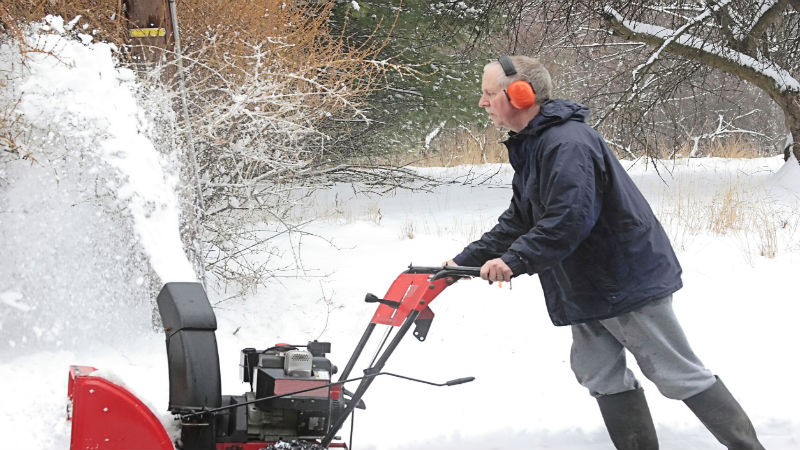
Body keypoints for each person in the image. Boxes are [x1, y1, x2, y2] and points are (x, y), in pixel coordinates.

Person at [445, 55, 765, 450]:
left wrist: (514, 260)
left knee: (676, 372)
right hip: (589, 283)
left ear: (521, 95)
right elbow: (520, 219)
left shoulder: (567, 144)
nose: (483, 102)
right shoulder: (535, 146)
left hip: (622, 280)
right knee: (598, 372)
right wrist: (464, 260)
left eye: (489, 93)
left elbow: (569, 217)